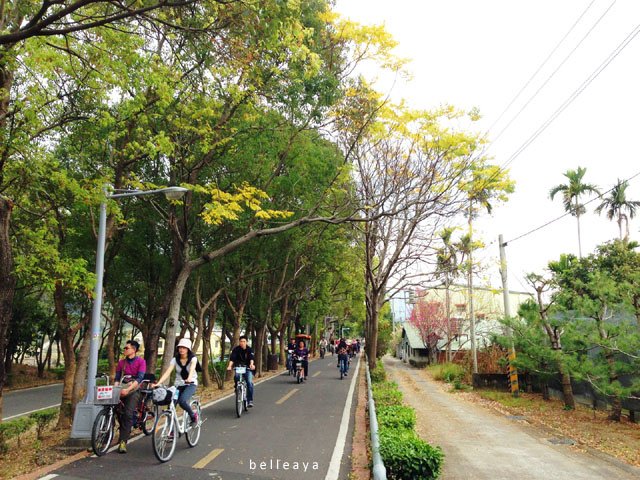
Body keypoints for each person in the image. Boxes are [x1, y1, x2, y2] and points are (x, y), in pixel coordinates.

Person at [153, 338, 199, 427]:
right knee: (171, 405)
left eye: (184, 348)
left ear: (188, 349)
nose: (181, 349)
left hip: (191, 384)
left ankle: (193, 416)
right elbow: (167, 372)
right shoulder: (175, 359)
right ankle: (171, 431)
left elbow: (192, 368)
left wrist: (189, 378)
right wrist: (158, 383)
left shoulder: (193, 358)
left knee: (182, 401)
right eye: (180, 347)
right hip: (178, 385)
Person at [114, 340, 146, 454]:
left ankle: (123, 441)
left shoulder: (141, 362)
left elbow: (140, 378)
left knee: (128, 413)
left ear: (134, 350)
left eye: (126, 348)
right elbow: (117, 378)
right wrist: (116, 388)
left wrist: (128, 389)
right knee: (111, 409)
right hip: (123, 388)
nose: (124, 350)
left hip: (134, 390)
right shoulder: (121, 362)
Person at [227, 336, 255, 407]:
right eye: (241, 341)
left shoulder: (249, 349)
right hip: (239, 367)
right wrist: (230, 366)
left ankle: (250, 400)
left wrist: (251, 364)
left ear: (246, 342)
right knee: (236, 377)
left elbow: (251, 358)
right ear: (239, 342)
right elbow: (232, 358)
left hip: (247, 368)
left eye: (244, 341)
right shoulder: (236, 349)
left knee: (249, 382)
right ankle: (237, 387)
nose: (242, 343)